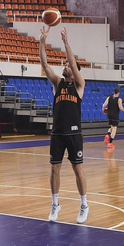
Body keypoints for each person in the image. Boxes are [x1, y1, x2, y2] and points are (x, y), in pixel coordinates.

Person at [39, 25, 89, 224]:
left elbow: (73, 64)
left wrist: (66, 42)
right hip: (58, 133)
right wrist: (42, 41)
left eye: (68, 64)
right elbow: (44, 63)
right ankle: (55, 204)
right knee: (54, 169)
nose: (65, 65)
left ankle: (84, 204)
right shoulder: (58, 83)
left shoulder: (79, 84)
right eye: (64, 64)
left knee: (78, 169)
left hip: (74, 133)